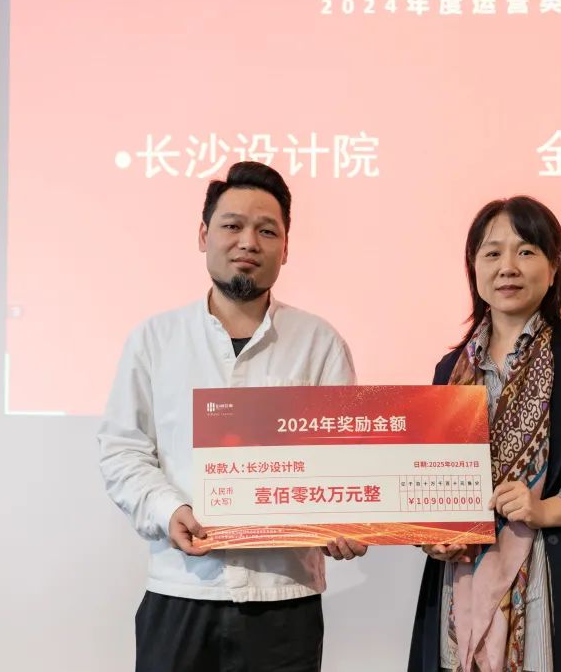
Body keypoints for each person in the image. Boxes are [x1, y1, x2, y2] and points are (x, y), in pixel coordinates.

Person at [98, 161, 365, 672]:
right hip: (180, 590)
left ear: (286, 247)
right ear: (204, 235)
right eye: (232, 225)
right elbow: (122, 450)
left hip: (284, 597)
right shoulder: (155, 339)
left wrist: (349, 521)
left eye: (267, 230)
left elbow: (346, 459)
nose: (248, 242)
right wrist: (168, 510)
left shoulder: (319, 343)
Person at [408, 196, 561, 672]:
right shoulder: (449, 370)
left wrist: (546, 509)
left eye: (526, 251)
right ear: (474, 267)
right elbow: (427, 483)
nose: (508, 267)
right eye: (492, 253)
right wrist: (430, 534)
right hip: (459, 585)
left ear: (555, 267)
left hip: (548, 584)